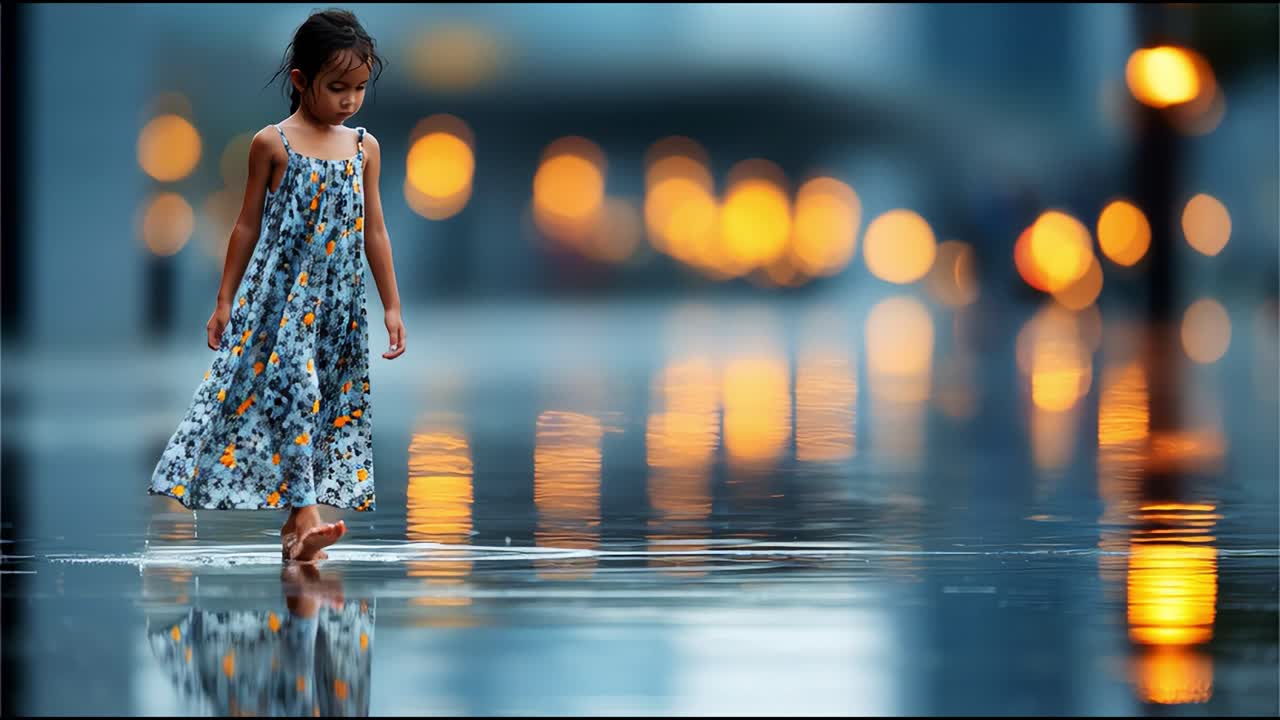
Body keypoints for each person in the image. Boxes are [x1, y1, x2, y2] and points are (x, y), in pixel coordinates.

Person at [148, 8, 405, 563]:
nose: (349, 101)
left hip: (339, 305)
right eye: (337, 87)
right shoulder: (271, 144)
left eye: (359, 89)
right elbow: (245, 225)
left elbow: (375, 231)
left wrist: (391, 306)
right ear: (300, 81)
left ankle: (296, 529)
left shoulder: (365, 149)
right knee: (298, 390)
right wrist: (224, 301)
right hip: (279, 299)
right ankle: (308, 515)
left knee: (318, 406)